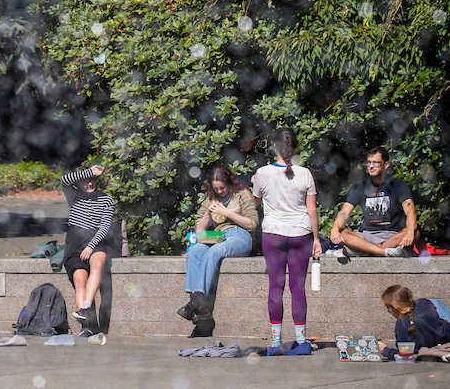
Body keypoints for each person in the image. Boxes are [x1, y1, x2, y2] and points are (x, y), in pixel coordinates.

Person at [252, 127, 320, 356]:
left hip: (274, 234)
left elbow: (255, 203)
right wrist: (317, 239)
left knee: (276, 287)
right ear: (295, 147)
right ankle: (301, 341)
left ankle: (275, 342)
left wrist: (254, 183)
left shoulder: (262, 173)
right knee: (298, 287)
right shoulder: (305, 174)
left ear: (274, 147)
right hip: (301, 234)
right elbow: (312, 211)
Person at [178, 167, 260, 336]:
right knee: (195, 252)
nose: (220, 191)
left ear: (229, 182)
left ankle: (196, 301)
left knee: (214, 252)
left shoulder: (242, 194)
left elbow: (252, 224)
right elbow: (199, 231)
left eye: (222, 187)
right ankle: (200, 308)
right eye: (216, 188)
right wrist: (208, 213)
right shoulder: (211, 197)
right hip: (216, 236)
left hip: (239, 236)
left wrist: (226, 212)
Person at [328, 147, 418, 257]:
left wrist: (409, 233)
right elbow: (344, 213)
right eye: (369, 162)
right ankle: (384, 252)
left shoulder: (398, 185)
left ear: (386, 165)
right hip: (368, 236)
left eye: (376, 163)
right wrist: (335, 228)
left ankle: (366, 250)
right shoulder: (359, 187)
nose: (371, 166)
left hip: (392, 235)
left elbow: (410, 210)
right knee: (344, 234)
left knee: (415, 231)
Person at [61, 164, 117, 342]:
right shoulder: (74, 196)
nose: (89, 183)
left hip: (97, 242)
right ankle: (87, 325)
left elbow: (104, 227)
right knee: (79, 279)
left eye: (92, 179)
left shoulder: (106, 200)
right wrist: (90, 171)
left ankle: (85, 307)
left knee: (98, 263)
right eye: (84, 181)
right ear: (78, 184)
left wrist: (91, 246)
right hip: (75, 244)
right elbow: (64, 180)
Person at [376, 285, 450, 360]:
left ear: (395, 307)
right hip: (445, 332)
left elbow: (405, 355)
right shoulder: (424, 302)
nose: (389, 311)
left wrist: (385, 350)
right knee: (435, 302)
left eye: (388, 307)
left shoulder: (402, 325)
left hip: (433, 342)